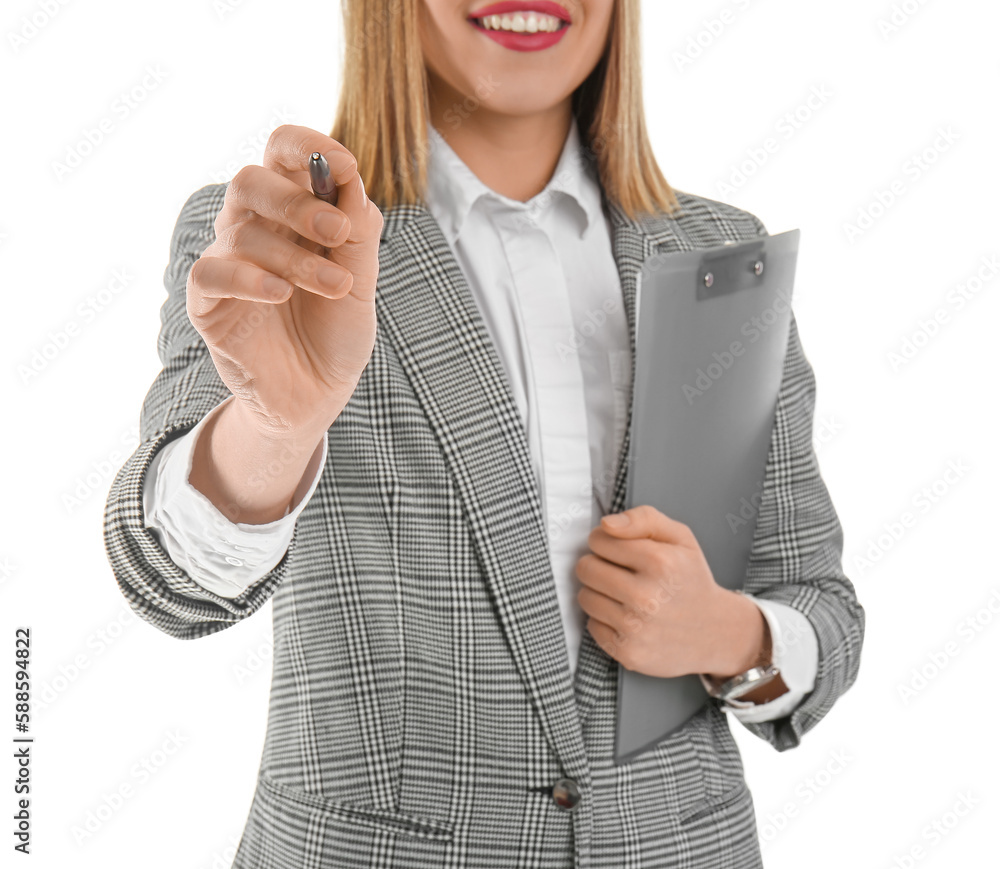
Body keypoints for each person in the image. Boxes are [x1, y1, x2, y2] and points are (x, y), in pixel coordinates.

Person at [104, 1, 865, 866]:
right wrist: (276, 428)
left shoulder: (723, 251)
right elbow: (164, 578)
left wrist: (727, 635)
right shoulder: (279, 239)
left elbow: (821, 607)